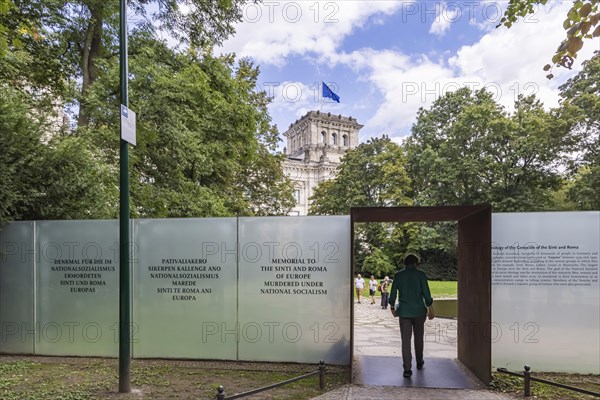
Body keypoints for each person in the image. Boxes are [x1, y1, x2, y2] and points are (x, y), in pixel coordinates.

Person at [389, 254, 435, 378]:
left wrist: (392, 307)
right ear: (416, 263)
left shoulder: (398, 275)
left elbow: (393, 293)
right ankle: (419, 362)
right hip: (419, 312)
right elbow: (426, 293)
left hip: (404, 312)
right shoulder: (421, 275)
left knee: (405, 340)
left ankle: (407, 369)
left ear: (405, 263)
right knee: (419, 338)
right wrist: (431, 309)